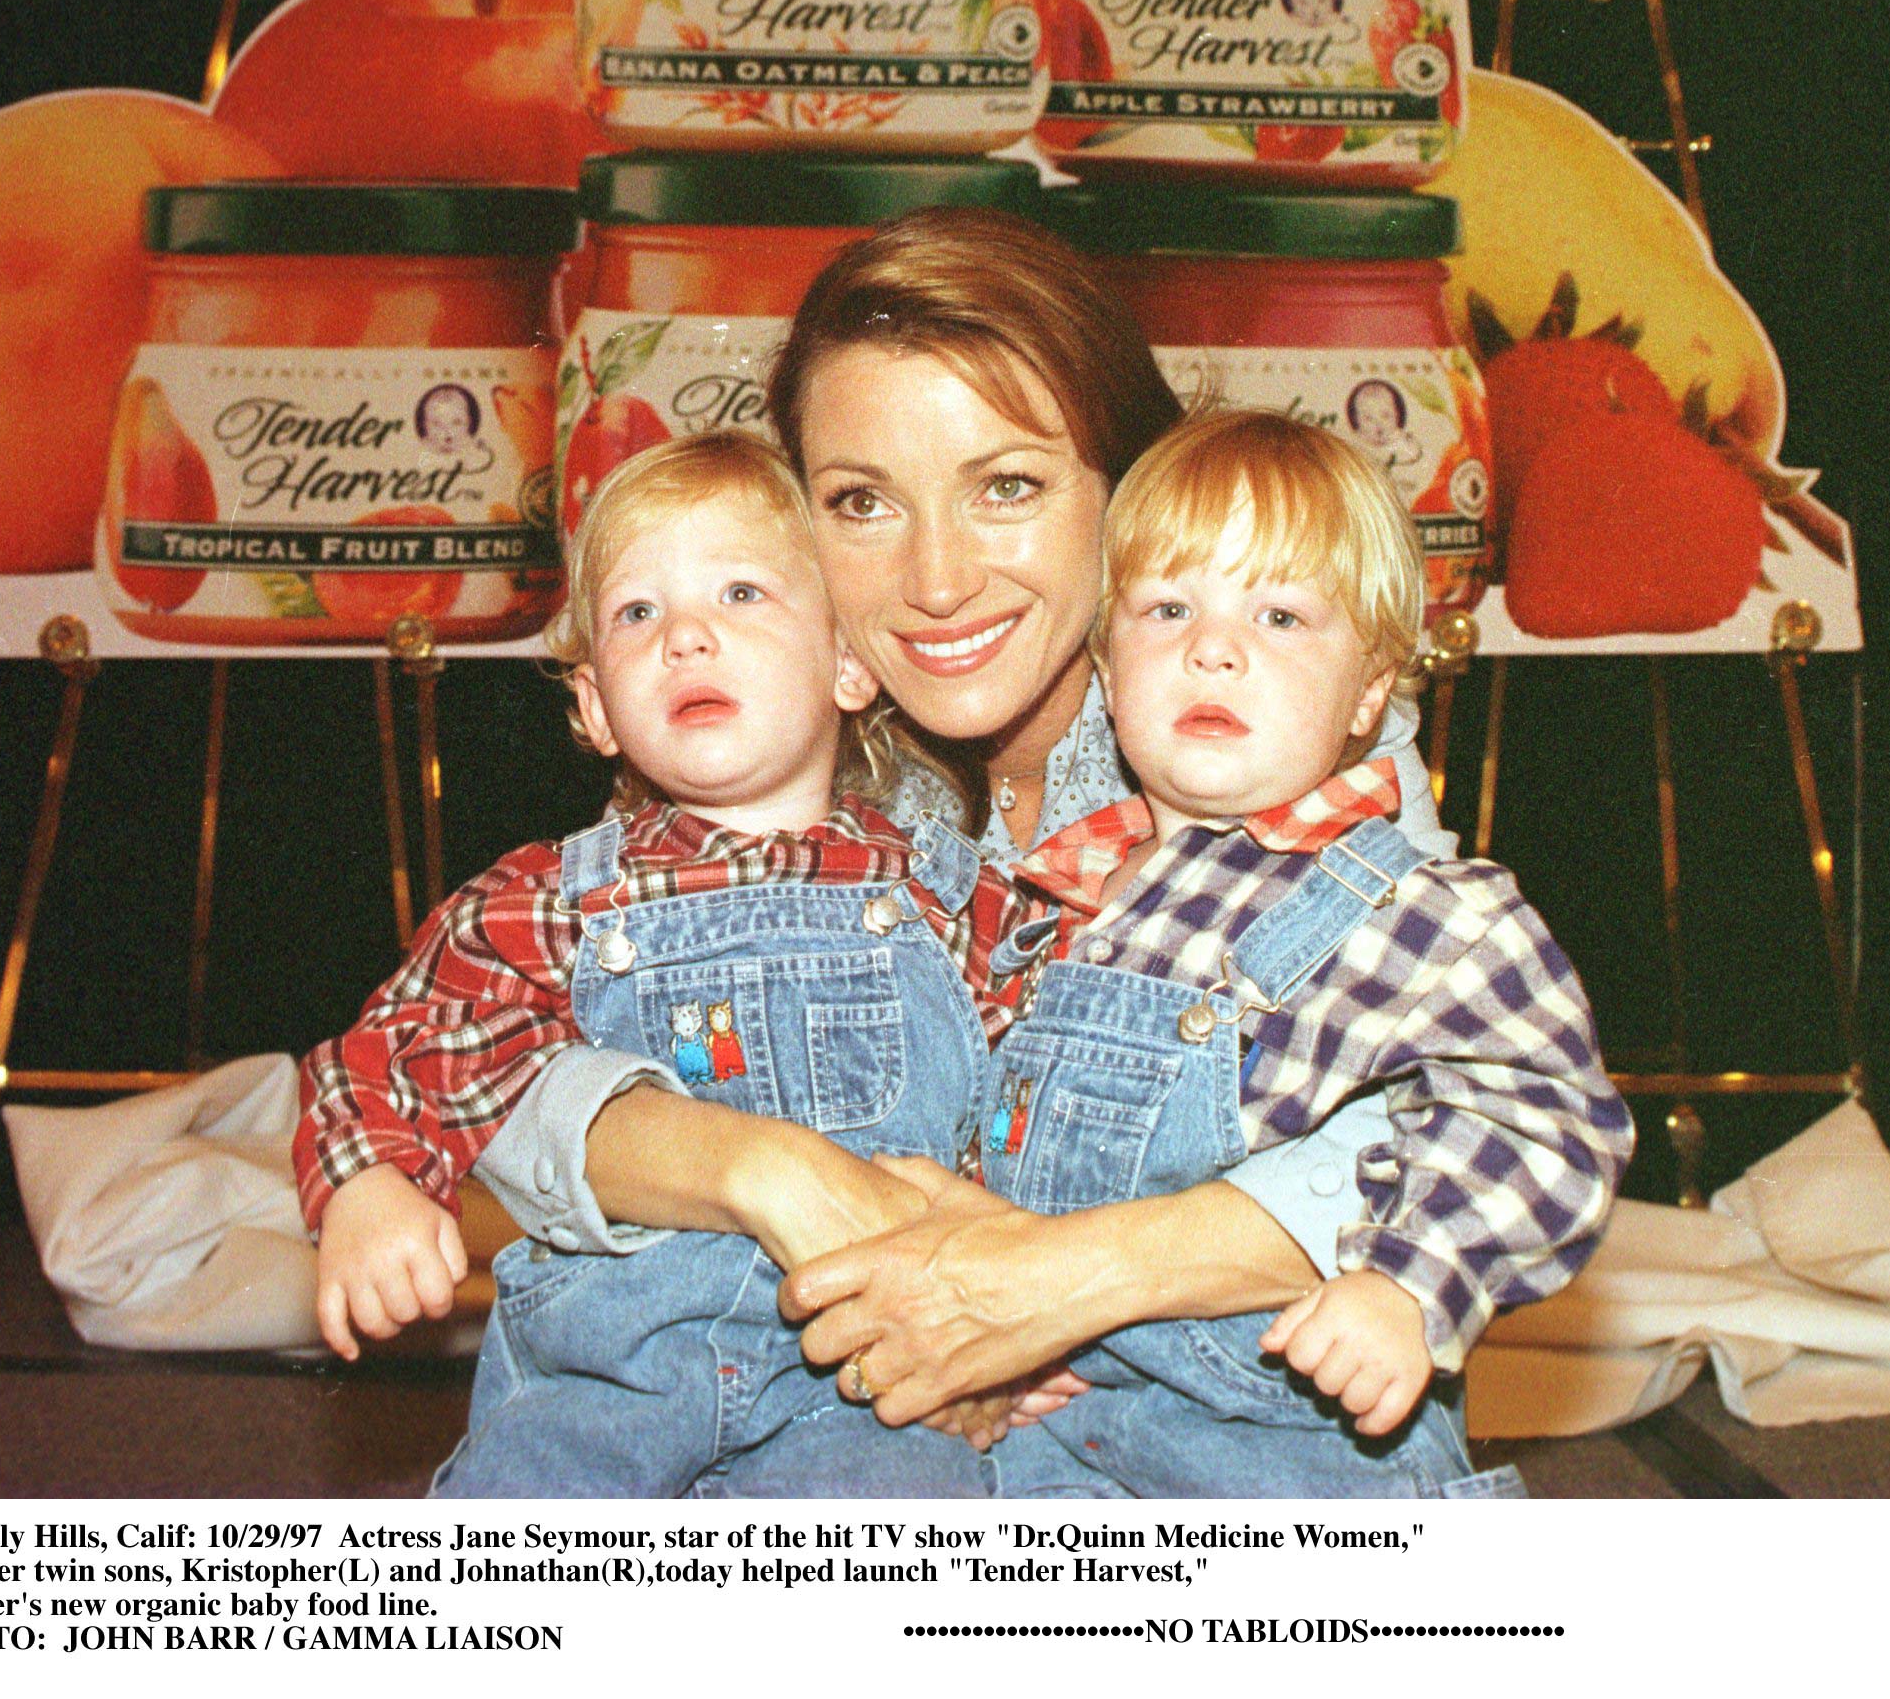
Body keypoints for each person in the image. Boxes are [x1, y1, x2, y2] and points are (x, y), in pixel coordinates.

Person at [476, 211, 1474, 1459]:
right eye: (860, 503)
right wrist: (774, 1177)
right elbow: (497, 1076)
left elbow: (1446, 1129)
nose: (936, 580)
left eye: (1007, 487)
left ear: (1127, 489)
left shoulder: (1280, 733)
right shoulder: (771, 746)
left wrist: (1044, 1284)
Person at [797, 410, 1632, 1497]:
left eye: (1281, 615)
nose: (1214, 646)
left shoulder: (1413, 906)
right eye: (1168, 608)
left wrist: (1412, 1284)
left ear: (1371, 691)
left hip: (1287, 1453)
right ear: (1106, 665)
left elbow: (1548, 1117)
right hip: (1053, 1447)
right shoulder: (1055, 900)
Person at [296, 433, 1036, 1495]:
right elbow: (396, 1054)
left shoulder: (954, 898)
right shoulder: (549, 898)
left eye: (741, 594)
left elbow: (1047, 1109)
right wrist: (371, 1186)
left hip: (868, 1403)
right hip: (597, 1399)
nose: (687, 637)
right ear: (596, 707)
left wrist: (1027, 1301)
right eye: (638, 614)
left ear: (847, 665)